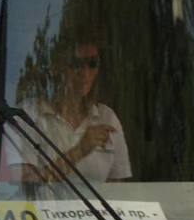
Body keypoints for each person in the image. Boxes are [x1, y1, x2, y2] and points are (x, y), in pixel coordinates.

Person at [15, 39, 131, 184]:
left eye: (92, 63)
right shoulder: (28, 113)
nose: (84, 72)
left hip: (97, 207)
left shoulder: (107, 116)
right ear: (56, 67)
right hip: (45, 207)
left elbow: (118, 187)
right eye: (76, 63)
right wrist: (78, 151)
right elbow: (26, 185)